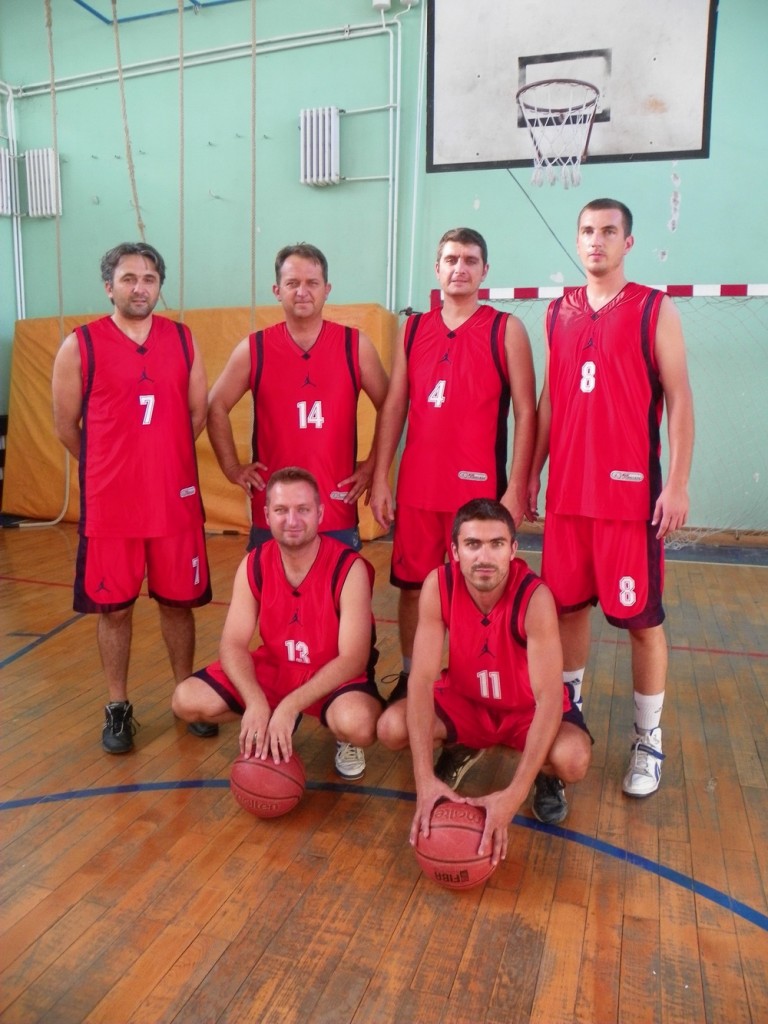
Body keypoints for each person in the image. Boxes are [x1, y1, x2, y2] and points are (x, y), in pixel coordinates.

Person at [528, 198, 695, 798]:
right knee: (566, 613)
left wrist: (677, 483)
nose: (596, 240)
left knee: (642, 623)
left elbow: (679, 397)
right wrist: (530, 473)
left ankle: (648, 738)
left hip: (629, 501)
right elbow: (550, 401)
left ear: (628, 242)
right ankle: (567, 718)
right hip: (567, 500)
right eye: (587, 231)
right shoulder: (558, 312)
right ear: (577, 241)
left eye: (608, 231)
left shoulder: (654, 307)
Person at [370, 227, 536, 787]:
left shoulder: (506, 329)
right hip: (419, 488)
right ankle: (413, 677)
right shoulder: (414, 328)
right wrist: (381, 476)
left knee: (476, 599)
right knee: (412, 588)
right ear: (436, 268)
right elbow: (396, 404)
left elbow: (526, 411)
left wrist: (517, 486)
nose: (459, 268)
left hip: (478, 497)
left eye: (470, 260)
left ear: (484, 271)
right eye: (450, 259)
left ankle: (472, 694)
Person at [51, 242, 213, 754]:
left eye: (149, 278)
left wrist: (161, 460)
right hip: (112, 508)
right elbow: (66, 426)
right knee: (115, 611)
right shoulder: (80, 345)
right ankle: (117, 706)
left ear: (159, 286)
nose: (139, 287)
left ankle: (187, 697)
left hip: (173, 503)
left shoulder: (183, 339)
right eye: (128, 278)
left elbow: (197, 414)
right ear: (109, 287)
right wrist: (112, 466)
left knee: (178, 605)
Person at [376, 498, 593, 856]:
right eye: (473, 544)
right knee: (390, 727)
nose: (484, 556)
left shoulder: (534, 597)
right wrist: (424, 780)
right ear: (455, 551)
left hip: (524, 711)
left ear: (513, 550)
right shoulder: (439, 585)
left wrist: (513, 795)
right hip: (467, 702)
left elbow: (549, 699)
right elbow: (421, 680)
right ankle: (463, 745)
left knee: (573, 759)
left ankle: (544, 775)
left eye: (496, 544)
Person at [172, 467, 384, 779]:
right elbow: (232, 643)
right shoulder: (254, 563)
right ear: (267, 515)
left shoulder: (348, 568)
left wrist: (291, 704)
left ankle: (327, 731)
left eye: (303, 510)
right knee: (186, 699)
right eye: (281, 510)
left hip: (332, 675)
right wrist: (255, 701)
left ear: (320, 514)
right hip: (277, 669)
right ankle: (269, 715)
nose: (292, 520)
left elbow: (353, 658)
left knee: (358, 725)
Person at [207, 242, 389, 554]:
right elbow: (215, 405)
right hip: (274, 510)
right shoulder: (255, 348)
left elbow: (390, 405)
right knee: (269, 585)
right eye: (292, 283)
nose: (302, 292)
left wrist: (374, 465)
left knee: (339, 585)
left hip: (335, 504)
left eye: (312, 283)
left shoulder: (355, 345)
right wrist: (231, 467)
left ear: (327, 289)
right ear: (277, 290)